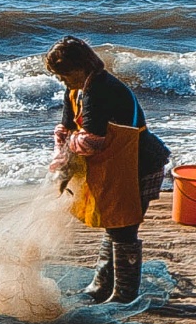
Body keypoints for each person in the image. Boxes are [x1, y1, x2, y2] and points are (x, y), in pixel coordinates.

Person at [46, 36, 170, 304]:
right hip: (117, 164)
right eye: (59, 76)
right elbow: (67, 128)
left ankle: (124, 294)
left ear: (82, 66)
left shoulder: (99, 89)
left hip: (141, 163)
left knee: (124, 228)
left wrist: (69, 151)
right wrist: (63, 158)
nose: (63, 80)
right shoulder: (76, 90)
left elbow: (93, 139)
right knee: (114, 226)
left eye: (65, 74)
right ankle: (102, 286)